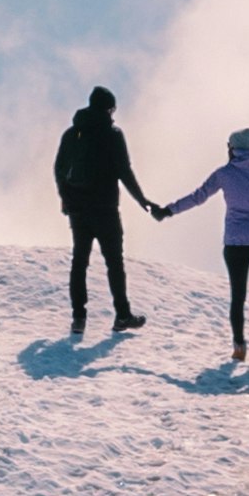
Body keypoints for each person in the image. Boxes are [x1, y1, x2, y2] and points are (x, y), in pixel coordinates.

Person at [159, 127, 249, 361]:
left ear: (232, 149)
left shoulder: (223, 174)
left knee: (237, 296)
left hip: (234, 242)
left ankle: (239, 347)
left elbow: (198, 197)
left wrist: (169, 210)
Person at [51, 85, 155, 336]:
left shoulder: (72, 133)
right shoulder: (113, 134)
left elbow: (59, 170)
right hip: (106, 209)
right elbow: (124, 172)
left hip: (78, 210)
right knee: (114, 263)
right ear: (109, 108)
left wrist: (66, 199)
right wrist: (143, 201)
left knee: (79, 262)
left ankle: (78, 318)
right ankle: (122, 315)